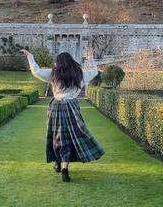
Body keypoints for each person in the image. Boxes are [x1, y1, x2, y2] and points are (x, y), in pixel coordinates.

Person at [20, 47, 105, 183]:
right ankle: (64, 167)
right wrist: (90, 57)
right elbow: (94, 72)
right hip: (72, 107)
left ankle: (58, 163)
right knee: (71, 137)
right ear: (71, 61)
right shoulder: (79, 73)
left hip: (56, 106)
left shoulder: (54, 73)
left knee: (57, 136)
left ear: (58, 62)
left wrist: (30, 56)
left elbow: (36, 71)